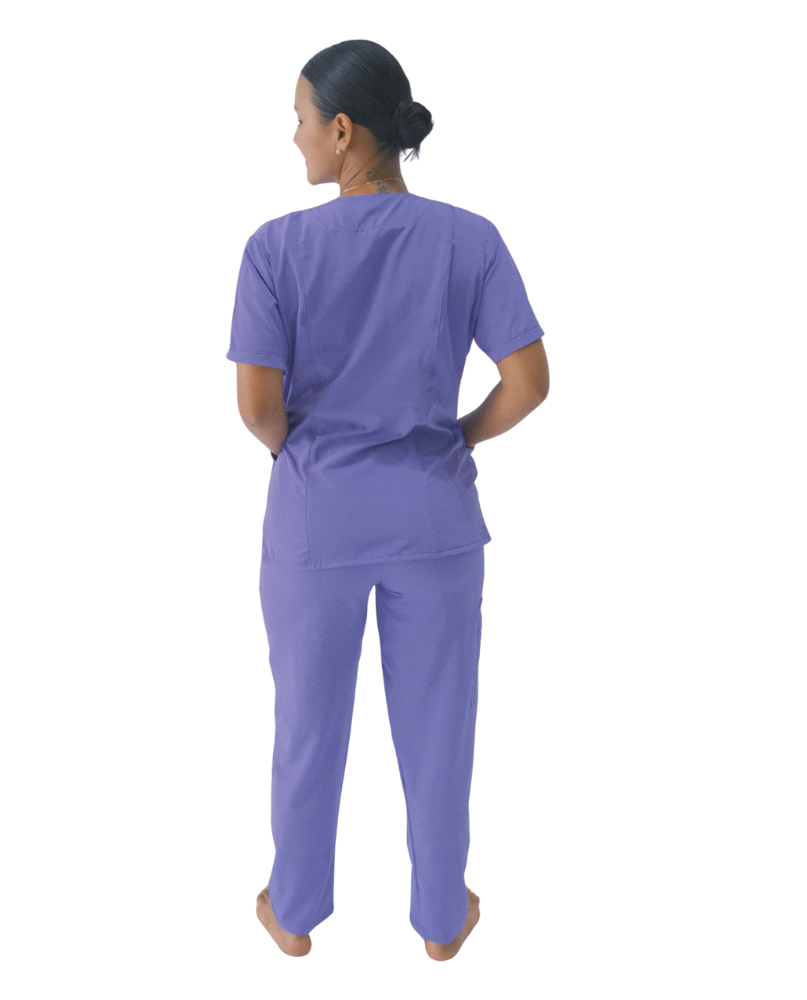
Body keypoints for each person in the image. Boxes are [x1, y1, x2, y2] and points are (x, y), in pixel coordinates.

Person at [227, 39, 549, 961]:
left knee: (308, 725)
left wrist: (302, 449)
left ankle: (294, 913)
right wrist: (459, 438)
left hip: (315, 520)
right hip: (434, 520)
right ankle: (443, 920)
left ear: (341, 129)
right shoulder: (469, 239)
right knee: (441, 729)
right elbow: (529, 382)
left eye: (300, 120)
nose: (293, 137)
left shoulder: (275, 249)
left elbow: (256, 408)